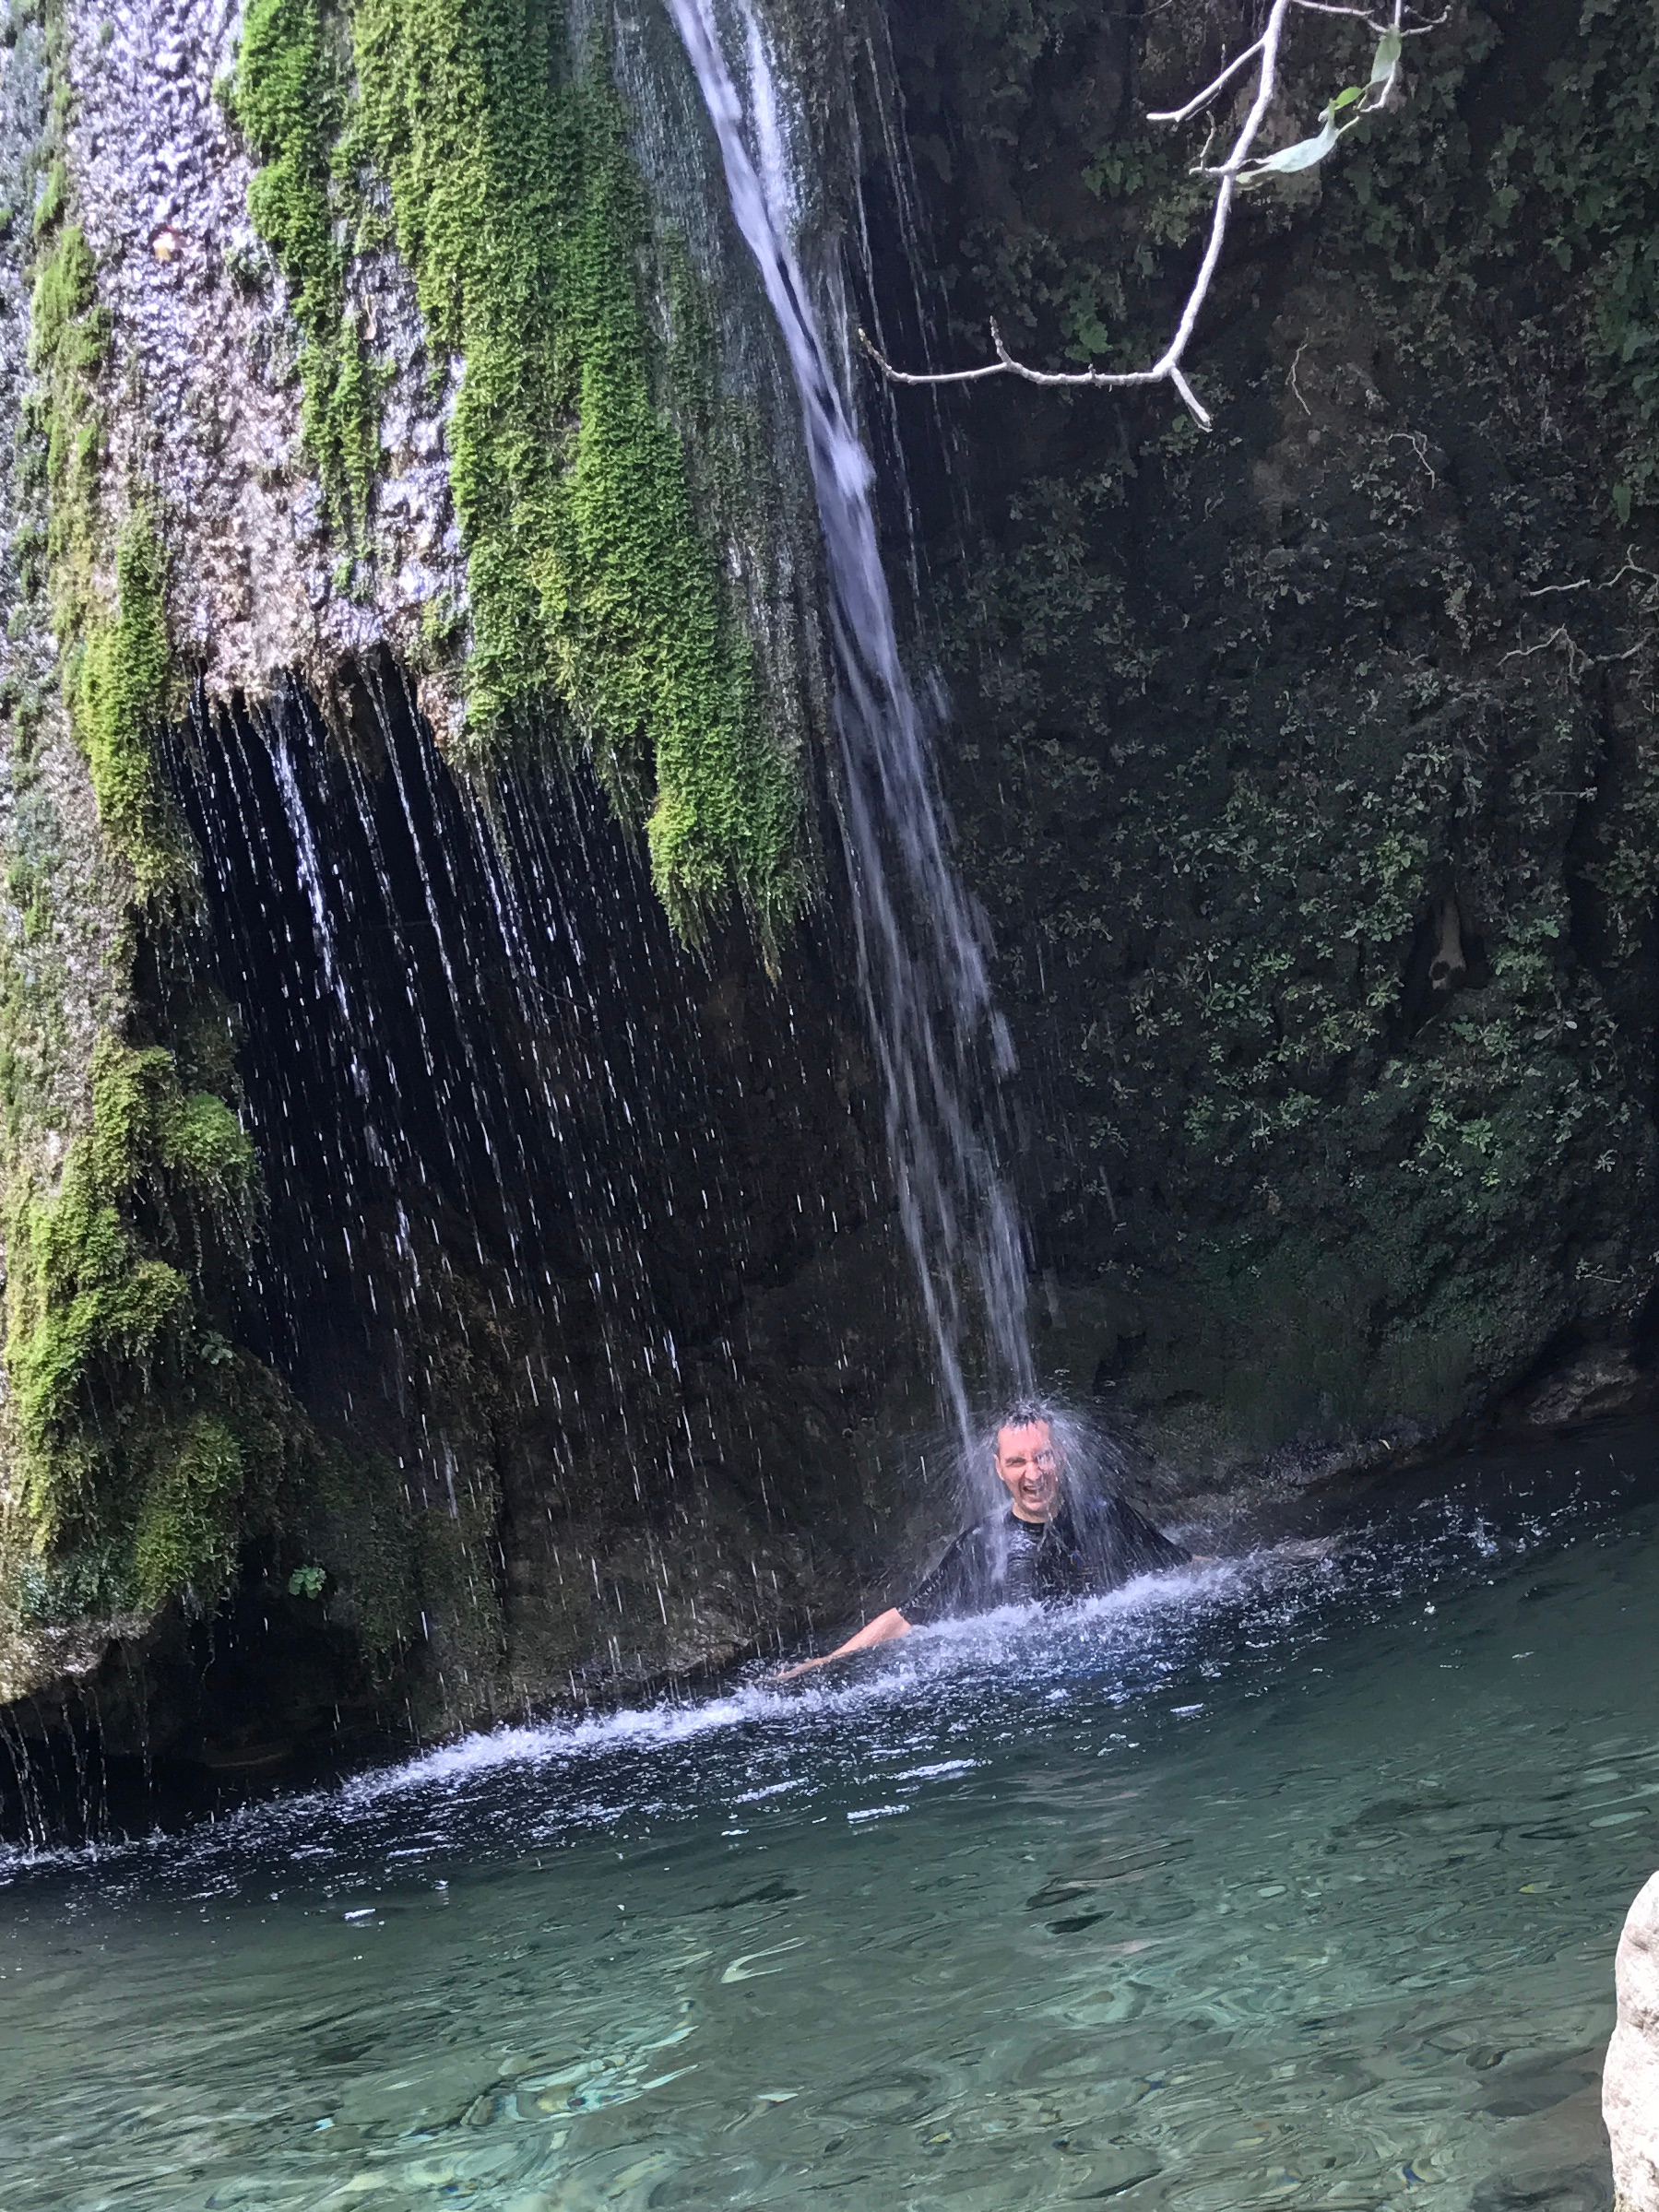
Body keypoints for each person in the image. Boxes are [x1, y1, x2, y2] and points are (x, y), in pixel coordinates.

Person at [776, 1402, 1192, 1680]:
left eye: (1042, 1456)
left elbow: (1182, 1567)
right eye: (1017, 1461)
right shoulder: (982, 1545)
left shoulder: (1106, 1515)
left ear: (1061, 1456)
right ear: (998, 1468)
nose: (1033, 1473)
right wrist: (829, 1660)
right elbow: (908, 1617)